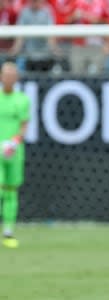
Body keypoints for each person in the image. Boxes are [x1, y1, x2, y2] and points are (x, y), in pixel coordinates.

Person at [0, 62, 30, 249]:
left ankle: (8, 231)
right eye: (6, 74)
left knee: (11, 191)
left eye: (13, 74)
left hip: (14, 152)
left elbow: (24, 125)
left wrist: (14, 142)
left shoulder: (22, 100)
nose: (9, 77)